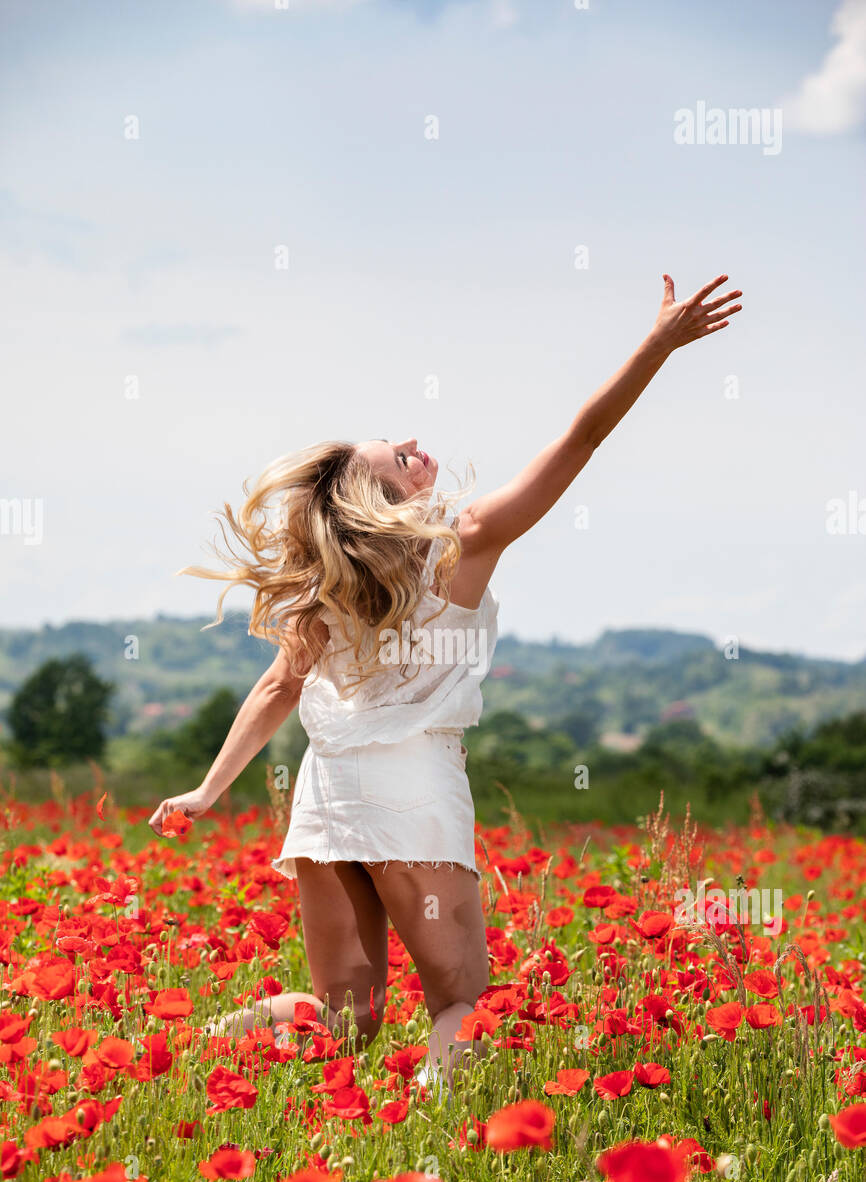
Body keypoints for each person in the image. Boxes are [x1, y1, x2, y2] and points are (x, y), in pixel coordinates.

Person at [148, 271, 743, 1097]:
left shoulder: (327, 585)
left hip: (326, 797)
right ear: (383, 490)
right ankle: (432, 1149)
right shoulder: (462, 541)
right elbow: (579, 441)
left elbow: (278, 688)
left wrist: (210, 791)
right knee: (459, 998)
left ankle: (182, 1056)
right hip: (414, 785)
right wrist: (656, 347)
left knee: (344, 1017)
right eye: (397, 453)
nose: (414, 441)